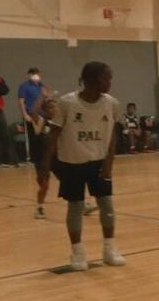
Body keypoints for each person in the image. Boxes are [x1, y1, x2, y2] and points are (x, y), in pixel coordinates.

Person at [41, 62, 125, 270]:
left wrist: (109, 163)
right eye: (107, 78)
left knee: (106, 204)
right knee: (76, 206)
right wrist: (44, 166)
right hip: (72, 162)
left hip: (99, 162)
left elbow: (113, 136)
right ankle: (77, 253)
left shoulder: (112, 104)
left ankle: (109, 249)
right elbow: (54, 136)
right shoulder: (67, 103)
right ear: (92, 80)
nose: (110, 82)